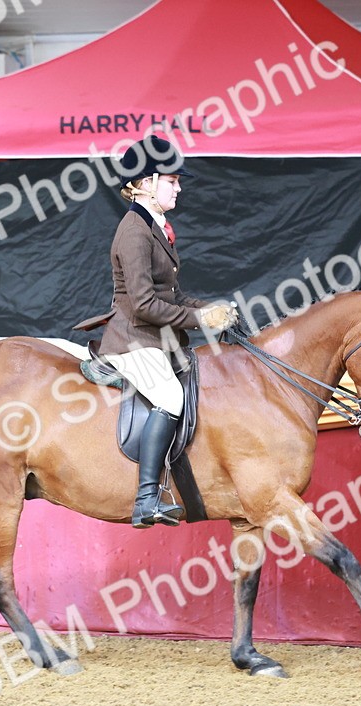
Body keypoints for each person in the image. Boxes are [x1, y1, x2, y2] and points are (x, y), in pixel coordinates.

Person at [79, 135, 237, 528]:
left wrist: (212, 309)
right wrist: (202, 323)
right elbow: (145, 304)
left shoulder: (155, 227)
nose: (179, 187)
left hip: (154, 337)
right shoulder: (133, 231)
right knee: (170, 396)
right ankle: (146, 498)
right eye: (171, 180)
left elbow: (175, 295)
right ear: (145, 183)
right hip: (133, 340)